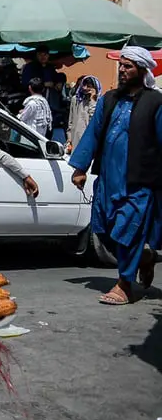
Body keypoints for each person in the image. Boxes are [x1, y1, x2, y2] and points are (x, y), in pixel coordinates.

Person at [69, 47, 162, 305]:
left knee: (128, 231)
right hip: (109, 180)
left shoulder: (155, 102)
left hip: (138, 181)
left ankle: (124, 285)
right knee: (108, 230)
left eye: (128, 66)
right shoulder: (109, 100)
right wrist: (80, 168)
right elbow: (93, 134)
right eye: (121, 65)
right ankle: (144, 258)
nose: (122, 70)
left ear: (142, 70)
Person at [21, 48, 66, 142]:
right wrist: (44, 84)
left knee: (48, 133)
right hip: (35, 104)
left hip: (49, 106)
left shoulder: (50, 68)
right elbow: (26, 83)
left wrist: (60, 82)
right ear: (36, 55)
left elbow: (59, 76)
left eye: (45, 54)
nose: (43, 57)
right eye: (40, 54)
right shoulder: (30, 67)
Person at [67, 75, 101, 154]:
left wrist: (92, 100)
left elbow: (94, 119)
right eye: (84, 85)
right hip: (75, 140)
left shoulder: (99, 102)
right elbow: (71, 121)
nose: (85, 88)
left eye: (89, 86)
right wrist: (69, 138)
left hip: (89, 140)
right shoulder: (76, 100)